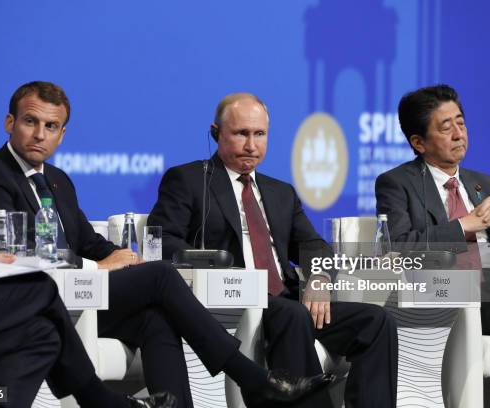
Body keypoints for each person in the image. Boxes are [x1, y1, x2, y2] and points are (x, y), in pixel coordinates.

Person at [0, 81, 332, 408]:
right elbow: (5, 256)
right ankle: (251, 377)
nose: (40, 134)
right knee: (160, 277)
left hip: (80, 295)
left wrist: (119, 257)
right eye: (30, 122)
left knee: (156, 318)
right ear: (10, 123)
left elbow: (86, 239)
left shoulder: (57, 180)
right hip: (36, 299)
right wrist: (98, 267)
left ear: (62, 134)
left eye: (51, 126)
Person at [148, 93, 398, 408]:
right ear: (216, 133)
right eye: (241, 134)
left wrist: (318, 276)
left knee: (376, 321)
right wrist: (213, 266)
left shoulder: (281, 193)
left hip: (285, 298)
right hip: (231, 299)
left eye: (260, 134)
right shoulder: (187, 179)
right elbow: (163, 241)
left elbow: (313, 245)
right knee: (293, 315)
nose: (251, 145)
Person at [375, 84, 490, 407]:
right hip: (447, 295)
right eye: (446, 127)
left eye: (461, 122)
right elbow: (398, 247)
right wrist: (464, 226)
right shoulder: (397, 184)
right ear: (418, 142)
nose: (459, 133)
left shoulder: (482, 182)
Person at [0, 238, 175, 407]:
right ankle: (96, 398)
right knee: (40, 286)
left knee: (42, 334)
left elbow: (87, 238)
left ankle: (99, 399)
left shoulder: (60, 182)